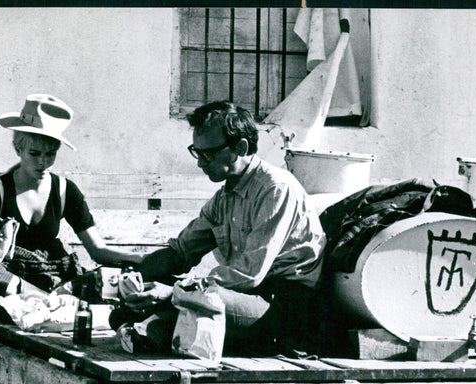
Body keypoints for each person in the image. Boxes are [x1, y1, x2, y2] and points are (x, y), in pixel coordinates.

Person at [112, 100, 327, 355]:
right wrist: (136, 277)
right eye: (196, 152)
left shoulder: (275, 188)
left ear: (241, 147)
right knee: (127, 310)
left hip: (284, 307)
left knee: (179, 313)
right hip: (246, 295)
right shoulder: (224, 198)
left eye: (208, 154)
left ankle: (151, 330)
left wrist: (172, 293)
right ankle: (146, 328)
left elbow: (248, 274)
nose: (200, 163)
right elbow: (181, 251)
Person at [0, 94, 142, 323]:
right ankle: (46, 302)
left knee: (107, 278)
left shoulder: (65, 190)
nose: (42, 162)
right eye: (34, 154)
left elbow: (97, 250)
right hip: (14, 280)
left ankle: (45, 303)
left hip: (57, 279)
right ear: (18, 149)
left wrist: (139, 259)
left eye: (50, 154)